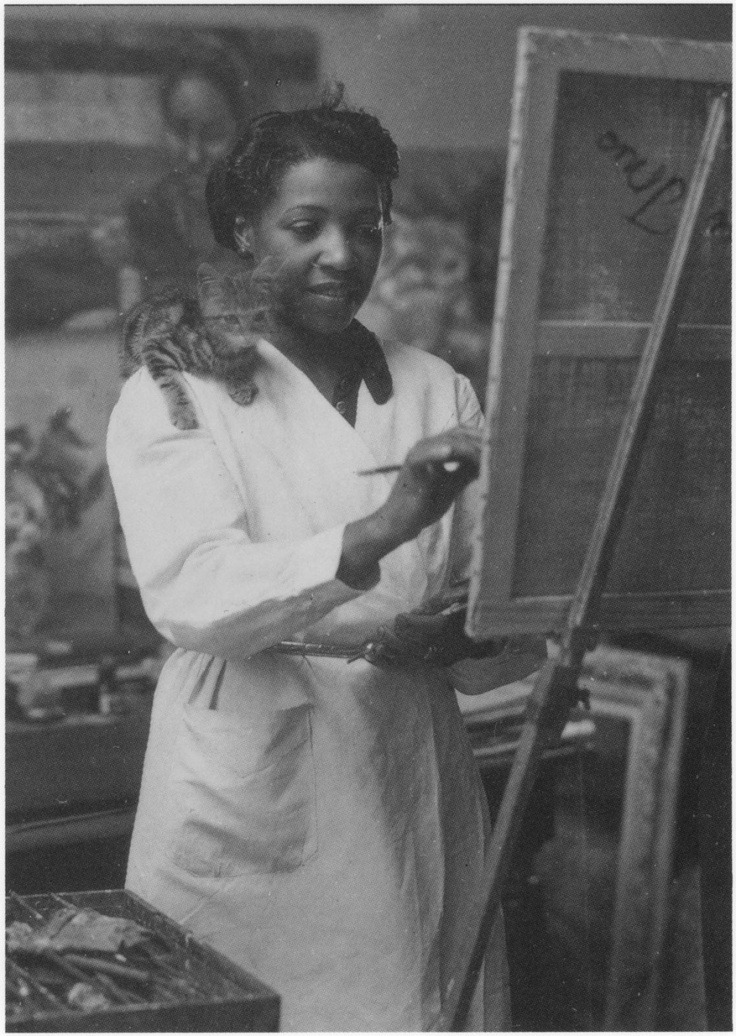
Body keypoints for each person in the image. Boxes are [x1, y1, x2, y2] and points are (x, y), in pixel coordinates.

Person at [107, 93, 510, 1031]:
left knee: (412, 1000)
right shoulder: (182, 385)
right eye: (306, 225)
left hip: (405, 745)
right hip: (257, 762)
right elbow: (194, 593)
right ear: (246, 229)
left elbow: (488, 589)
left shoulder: (435, 386)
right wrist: (381, 528)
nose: (342, 254)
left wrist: (459, 631)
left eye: (364, 226)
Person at [124, 34, 256, 302]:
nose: (193, 156)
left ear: (241, 135)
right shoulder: (145, 215)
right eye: (180, 131)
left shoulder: (264, 223)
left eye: (213, 134)